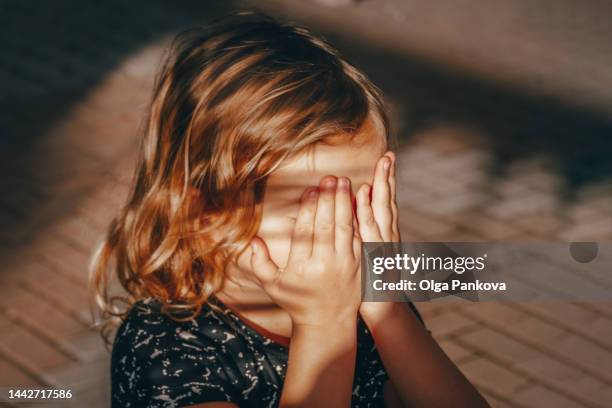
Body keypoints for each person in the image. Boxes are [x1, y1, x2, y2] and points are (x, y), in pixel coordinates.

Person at [91, 12, 489, 408]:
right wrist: (323, 323)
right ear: (208, 212)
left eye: (362, 205)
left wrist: (391, 312)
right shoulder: (164, 348)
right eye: (316, 219)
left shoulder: (371, 310)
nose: (347, 239)